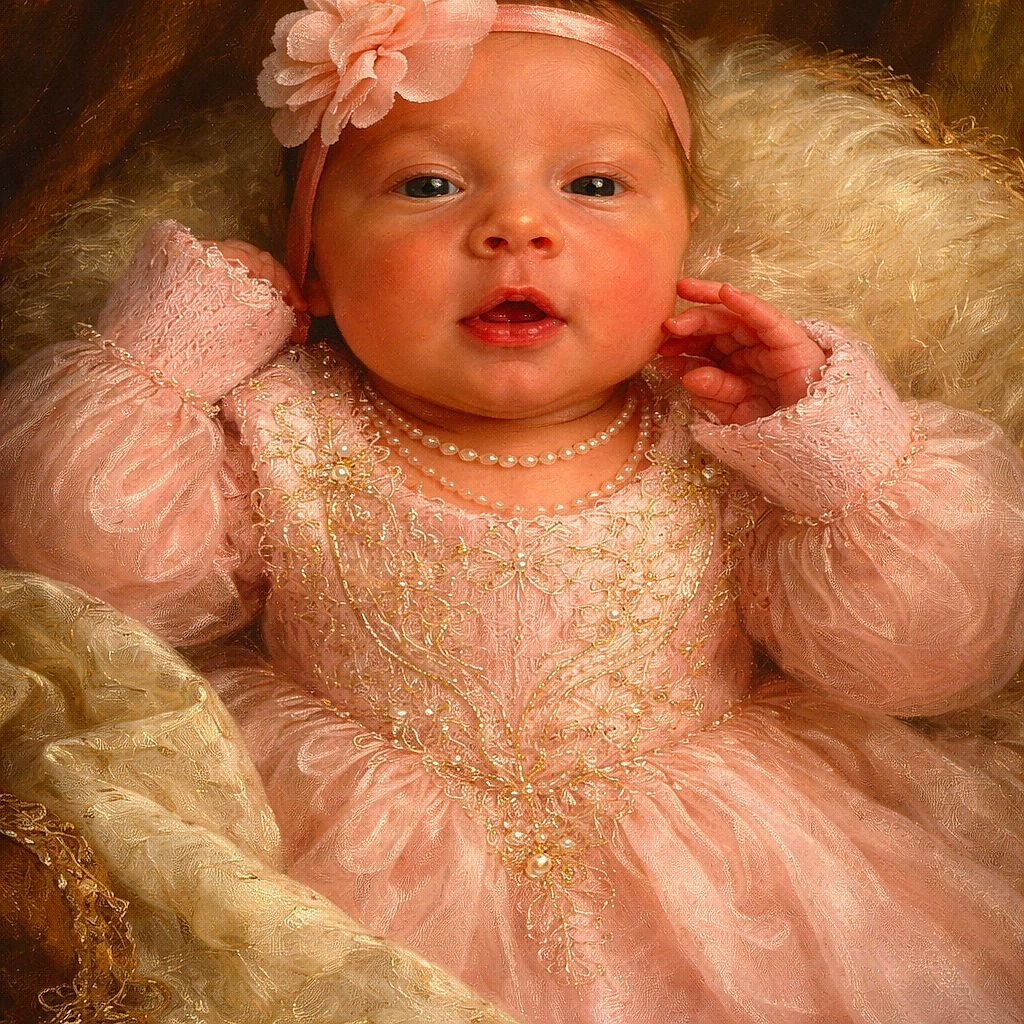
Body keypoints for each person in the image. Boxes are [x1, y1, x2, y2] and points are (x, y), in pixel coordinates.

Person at [1, 0, 1023, 1020]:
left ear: (681, 247)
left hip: (731, 874)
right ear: (311, 259)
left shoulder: (727, 432)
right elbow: (88, 594)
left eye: (593, 185)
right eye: (429, 184)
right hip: (343, 865)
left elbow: (930, 660)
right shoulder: (280, 423)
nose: (516, 227)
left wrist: (834, 454)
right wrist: (165, 361)